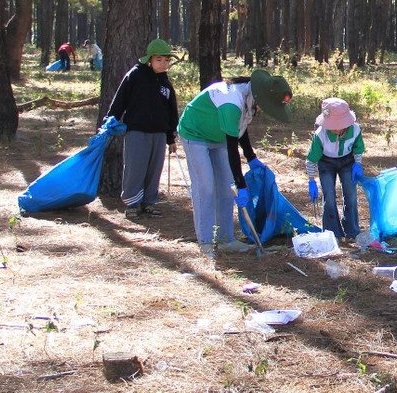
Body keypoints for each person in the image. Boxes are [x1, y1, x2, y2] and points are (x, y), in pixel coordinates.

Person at [178, 69, 293, 255]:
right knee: (205, 185)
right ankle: (206, 241)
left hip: (219, 136)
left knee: (226, 187)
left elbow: (241, 129)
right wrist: (240, 183)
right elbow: (232, 147)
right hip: (195, 133)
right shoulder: (231, 101)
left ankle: (226, 240)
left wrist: (251, 158)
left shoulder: (247, 97)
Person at [106, 38, 179, 220]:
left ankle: (149, 203)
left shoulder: (165, 83)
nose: (163, 64)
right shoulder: (135, 75)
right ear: (149, 60)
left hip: (159, 133)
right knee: (135, 167)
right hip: (137, 131)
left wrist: (171, 138)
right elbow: (120, 99)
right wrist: (111, 119)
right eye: (159, 60)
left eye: (167, 60)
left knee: (155, 169)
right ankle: (132, 204)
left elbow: (172, 111)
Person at [306, 98, 365, 240]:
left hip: (347, 162)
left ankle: (352, 230)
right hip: (326, 162)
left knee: (350, 195)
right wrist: (311, 180)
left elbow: (358, 150)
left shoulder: (355, 130)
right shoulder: (321, 134)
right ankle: (332, 233)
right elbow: (311, 159)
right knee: (329, 196)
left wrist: (357, 164)